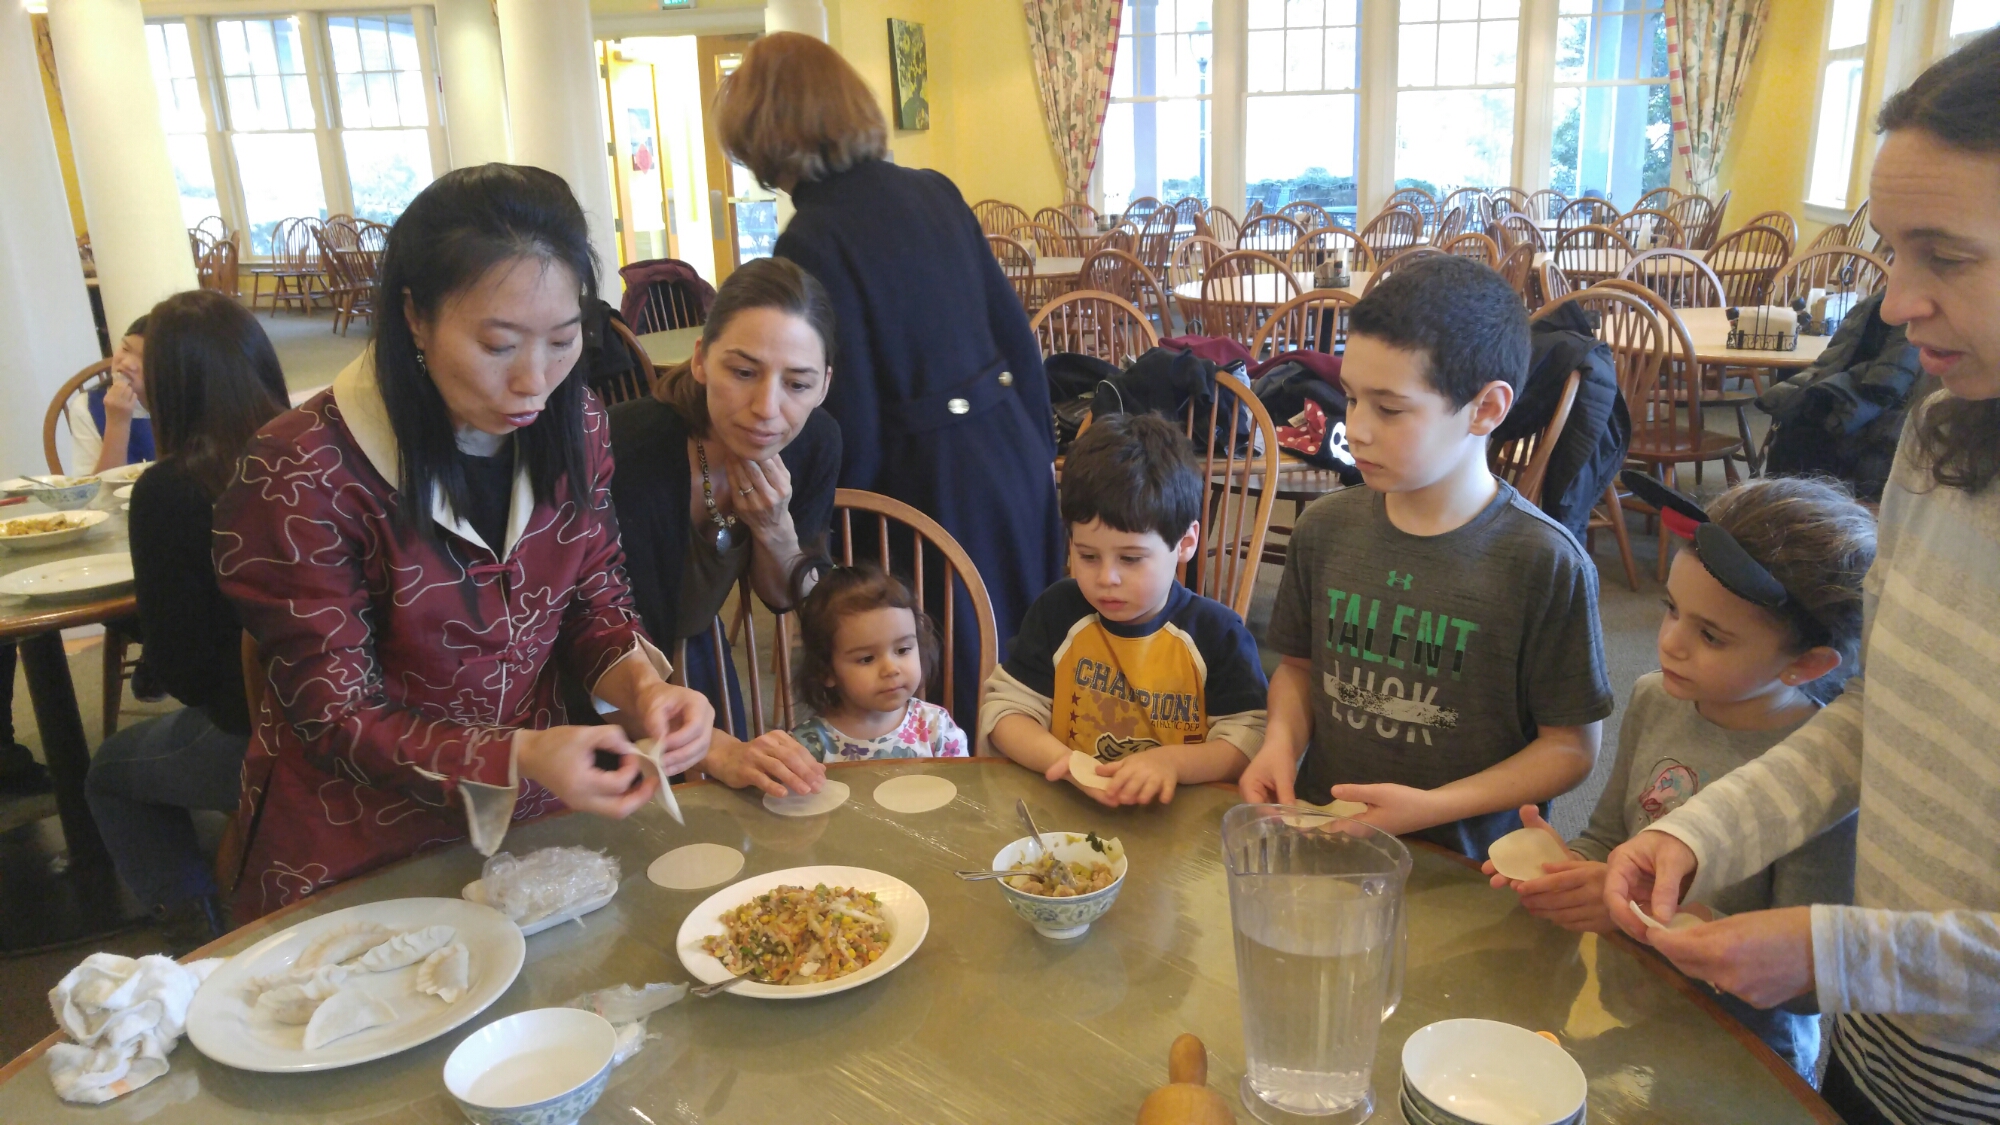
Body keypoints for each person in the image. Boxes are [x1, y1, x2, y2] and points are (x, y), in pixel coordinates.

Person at [1604, 31, 2000, 1124]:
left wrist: (1828, 950)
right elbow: (1877, 713)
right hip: (1876, 1061)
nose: (1893, 301)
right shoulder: (1941, 441)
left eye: (1945, 256)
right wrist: (1697, 833)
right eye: (1890, 250)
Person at [212, 164, 714, 920]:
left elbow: (590, 597)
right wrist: (515, 754)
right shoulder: (302, 470)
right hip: (355, 843)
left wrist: (644, 691)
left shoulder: (575, 422)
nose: (534, 382)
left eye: (563, 338)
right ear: (415, 316)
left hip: (532, 821)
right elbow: (336, 715)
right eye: (499, 344)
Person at [716, 32, 1064, 725]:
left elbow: (850, 406)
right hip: (1008, 456)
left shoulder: (813, 235)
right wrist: (1039, 446)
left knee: (936, 678)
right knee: (1023, 661)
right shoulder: (934, 190)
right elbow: (1015, 339)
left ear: (763, 129)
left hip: (928, 486)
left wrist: (838, 537)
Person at [1486, 475, 1873, 1079]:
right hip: (1628, 1012)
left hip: (1738, 1053)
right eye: (1671, 610)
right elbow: (1610, 835)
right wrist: (1567, 870)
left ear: (1806, 664)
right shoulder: (1653, 699)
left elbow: (1807, 980)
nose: (1669, 642)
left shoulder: (1825, 778)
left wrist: (1653, 916)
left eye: (1711, 635)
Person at [1240, 255, 1613, 857]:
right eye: (1351, 398)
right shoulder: (1326, 527)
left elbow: (1570, 748)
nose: (1355, 429)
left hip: (1469, 866)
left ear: (1486, 409)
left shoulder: (1544, 562)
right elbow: (1300, 670)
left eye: (1389, 409)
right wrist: (1280, 741)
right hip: (1330, 844)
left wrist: (1433, 809)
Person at [82, 290, 288, 945]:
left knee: (107, 772)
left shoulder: (171, 489)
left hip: (259, 733)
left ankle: (195, 931)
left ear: (167, 385)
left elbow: (184, 669)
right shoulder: (316, 453)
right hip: (362, 710)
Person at [608, 257, 841, 798]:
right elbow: (596, 637)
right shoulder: (628, 448)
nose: (767, 408)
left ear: (825, 384)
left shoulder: (815, 443)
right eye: (742, 372)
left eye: (798, 383)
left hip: (690, 666)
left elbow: (784, 598)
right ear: (700, 360)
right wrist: (717, 748)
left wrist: (775, 529)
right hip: (598, 693)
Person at [981, 413, 1268, 806]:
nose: (1106, 578)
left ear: (1185, 543)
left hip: (1179, 827)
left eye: (1131, 559)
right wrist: (1064, 762)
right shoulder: (1058, 611)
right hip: (1068, 811)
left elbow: (1248, 741)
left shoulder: (1217, 634)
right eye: (1087, 555)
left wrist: (1172, 763)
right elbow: (1005, 714)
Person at [789, 565, 968, 762]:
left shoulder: (938, 729)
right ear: (826, 671)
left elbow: (964, 790)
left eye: (902, 650)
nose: (891, 669)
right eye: (867, 659)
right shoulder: (808, 747)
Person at [68, 316, 156, 474]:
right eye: (125, 349)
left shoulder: (180, 402)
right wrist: (117, 423)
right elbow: (95, 490)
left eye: (145, 359)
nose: (127, 363)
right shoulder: (88, 406)